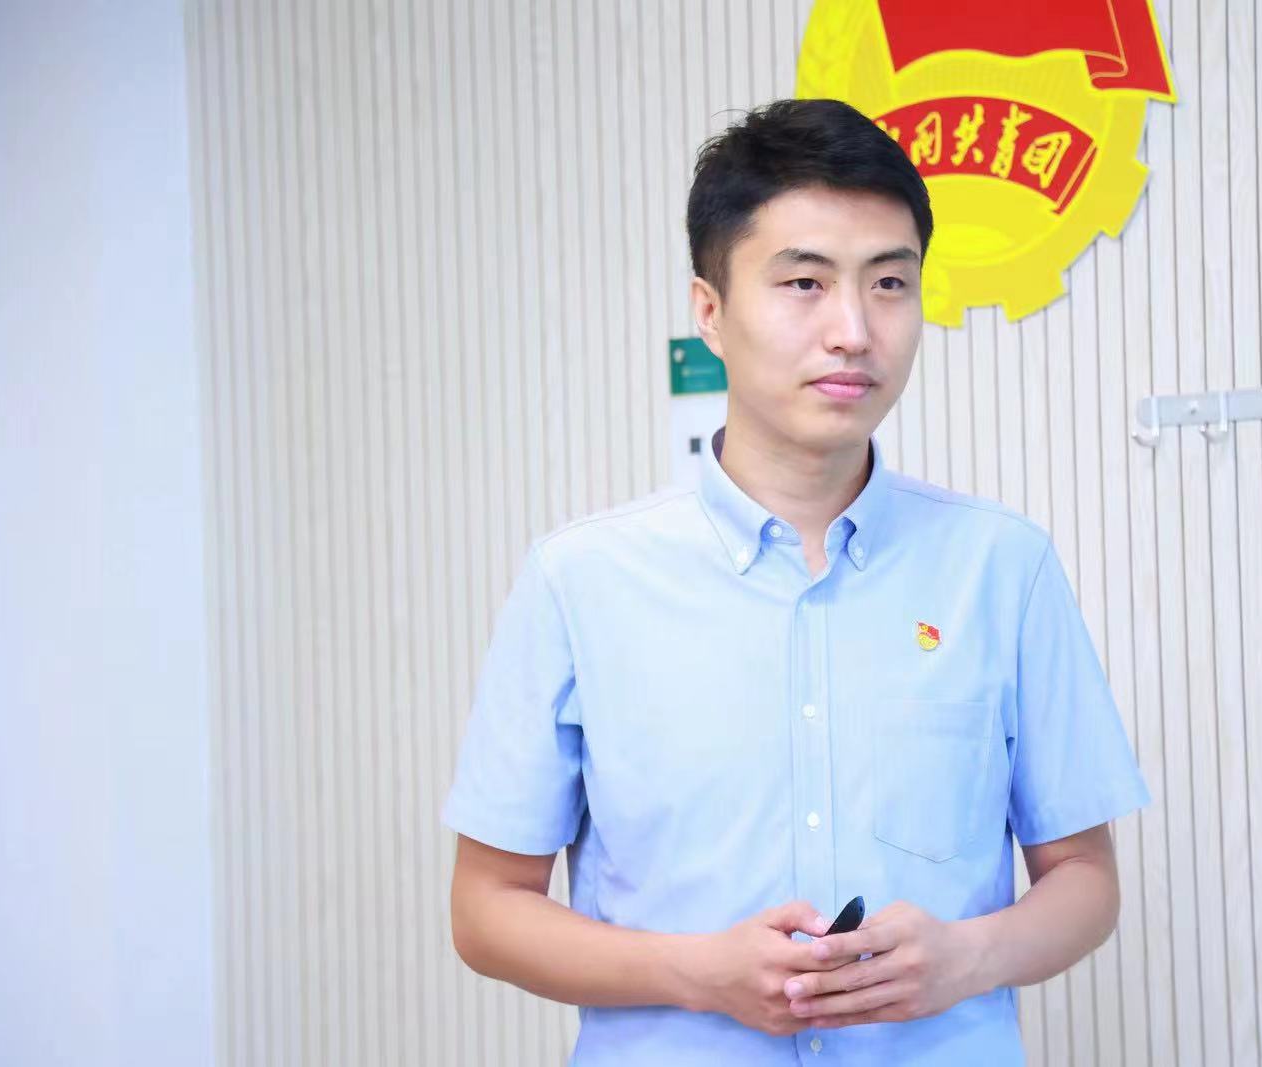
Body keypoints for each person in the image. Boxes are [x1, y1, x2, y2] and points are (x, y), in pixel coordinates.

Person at [442, 97, 1149, 1065]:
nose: (853, 329)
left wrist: (966, 957)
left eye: (889, 283)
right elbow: (486, 907)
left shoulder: (1002, 566)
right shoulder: (581, 581)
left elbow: (1085, 881)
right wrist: (698, 971)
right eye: (804, 283)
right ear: (710, 311)